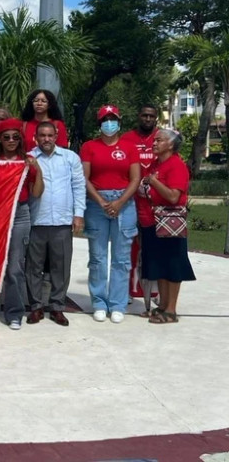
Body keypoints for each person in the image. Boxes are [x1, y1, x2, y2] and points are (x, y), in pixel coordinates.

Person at [0, 119, 43, 330]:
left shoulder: (27, 161)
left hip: (19, 214)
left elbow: (36, 192)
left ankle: (14, 313)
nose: (11, 141)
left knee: (15, 266)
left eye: (15, 137)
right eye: (6, 137)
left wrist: (38, 170)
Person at [81, 105, 140, 324]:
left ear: (119, 121)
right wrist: (102, 201)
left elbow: (135, 178)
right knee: (97, 257)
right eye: (105, 119)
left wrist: (119, 201)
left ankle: (117, 303)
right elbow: (84, 177)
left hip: (124, 203)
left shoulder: (129, 147)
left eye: (112, 118)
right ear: (99, 123)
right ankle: (98, 301)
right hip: (97, 203)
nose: (109, 123)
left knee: (122, 258)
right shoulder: (89, 147)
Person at [26, 121, 86, 326]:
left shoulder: (70, 158)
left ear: (56, 135)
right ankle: (36, 306)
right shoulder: (29, 158)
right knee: (33, 267)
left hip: (61, 221)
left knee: (61, 267)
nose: (46, 139)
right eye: (42, 135)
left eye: (50, 135)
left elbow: (78, 187)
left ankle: (57, 306)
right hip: (36, 221)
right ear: (36, 137)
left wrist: (78, 214)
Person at [138, 129, 196, 324]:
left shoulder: (176, 166)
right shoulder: (155, 164)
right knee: (159, 264)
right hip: (153, 222)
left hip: (170, 222)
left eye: (159, 140)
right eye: (154, 140)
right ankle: (162, 306)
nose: (154, 143)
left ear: (170, 145)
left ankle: (171, 310)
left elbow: (173, 196)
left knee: (172, 264)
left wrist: (153, 181)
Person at [121, 105, 160, 307]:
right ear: (138, 116)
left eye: (151, 116)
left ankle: (155, 291)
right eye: (144, 115)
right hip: (130, 200)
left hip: (155, 203)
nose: (147, 118)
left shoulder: (162, 138)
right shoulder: (127, 138)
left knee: (155, 247)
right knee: (129, 246)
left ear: (156, 118)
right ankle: (127, 289)